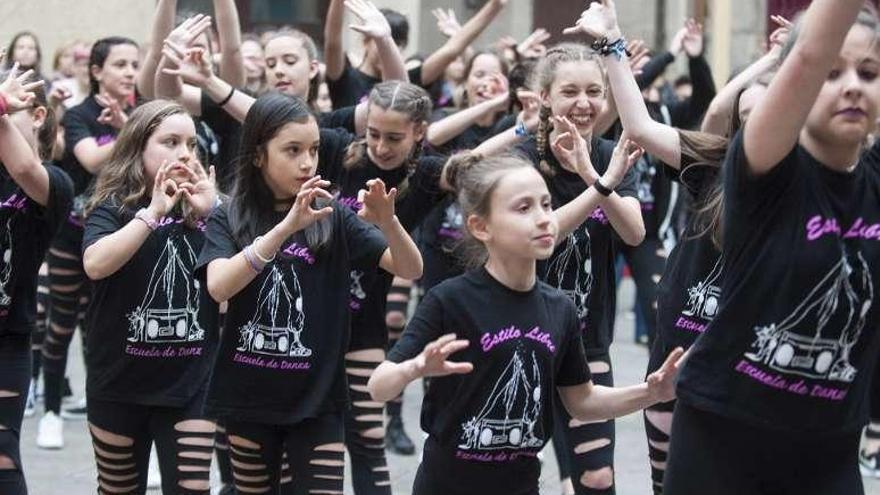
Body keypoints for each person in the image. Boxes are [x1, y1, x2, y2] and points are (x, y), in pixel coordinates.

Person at [571, 0, 880, 492]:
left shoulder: (873, 181)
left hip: (828, 447)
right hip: (728, 437)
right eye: (830, 72)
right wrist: (611, 46)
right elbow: (788, 68)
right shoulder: (759, 173)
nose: (851, 86)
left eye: (869, 72)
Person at [368, 152, 683, 495]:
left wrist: (650, 393)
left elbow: (583, 402)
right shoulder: (451, 300)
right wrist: (415, 367)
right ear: (480, 226)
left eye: (546, 205)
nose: (544, 219)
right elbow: (379, 386)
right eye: (523, 208)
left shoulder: (559, 308)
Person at [196, 92, 422, 494]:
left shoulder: (332, 216)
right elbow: (218, 286)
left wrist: (390, 224)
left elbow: (409, 268)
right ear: (258, 155)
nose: (307, 162)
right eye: (293, 150)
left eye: (314, 150)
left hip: (318, 401)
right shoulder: (229, 214)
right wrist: (284, 229)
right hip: (248, 397)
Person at [81, 99, 220, 494]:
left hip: (191, 383)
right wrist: (152, 213)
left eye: (191, 144)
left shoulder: (209, 208)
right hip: (118, 382)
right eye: (170, 142)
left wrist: (215, 213)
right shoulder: (112, 207)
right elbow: (95, 264)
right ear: (138, 148)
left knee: (193, 488)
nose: (184, 154)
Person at [37, 35, 141, 449]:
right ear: (96, 72)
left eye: (134, 64)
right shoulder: (80, 115)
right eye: (120, 64)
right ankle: (49, 412)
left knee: (114, 327)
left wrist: (131, 123)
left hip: (123, 237)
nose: (130, 72)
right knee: (60, 323)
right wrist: (133, 133)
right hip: (72, 237)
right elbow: (91, 159)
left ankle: (124, 421)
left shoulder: (139, 113)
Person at [0, 63, 74, 495]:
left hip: (7, 339)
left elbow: (25, 169)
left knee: (4, 454)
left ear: (39, 115)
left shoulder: (54, 184)